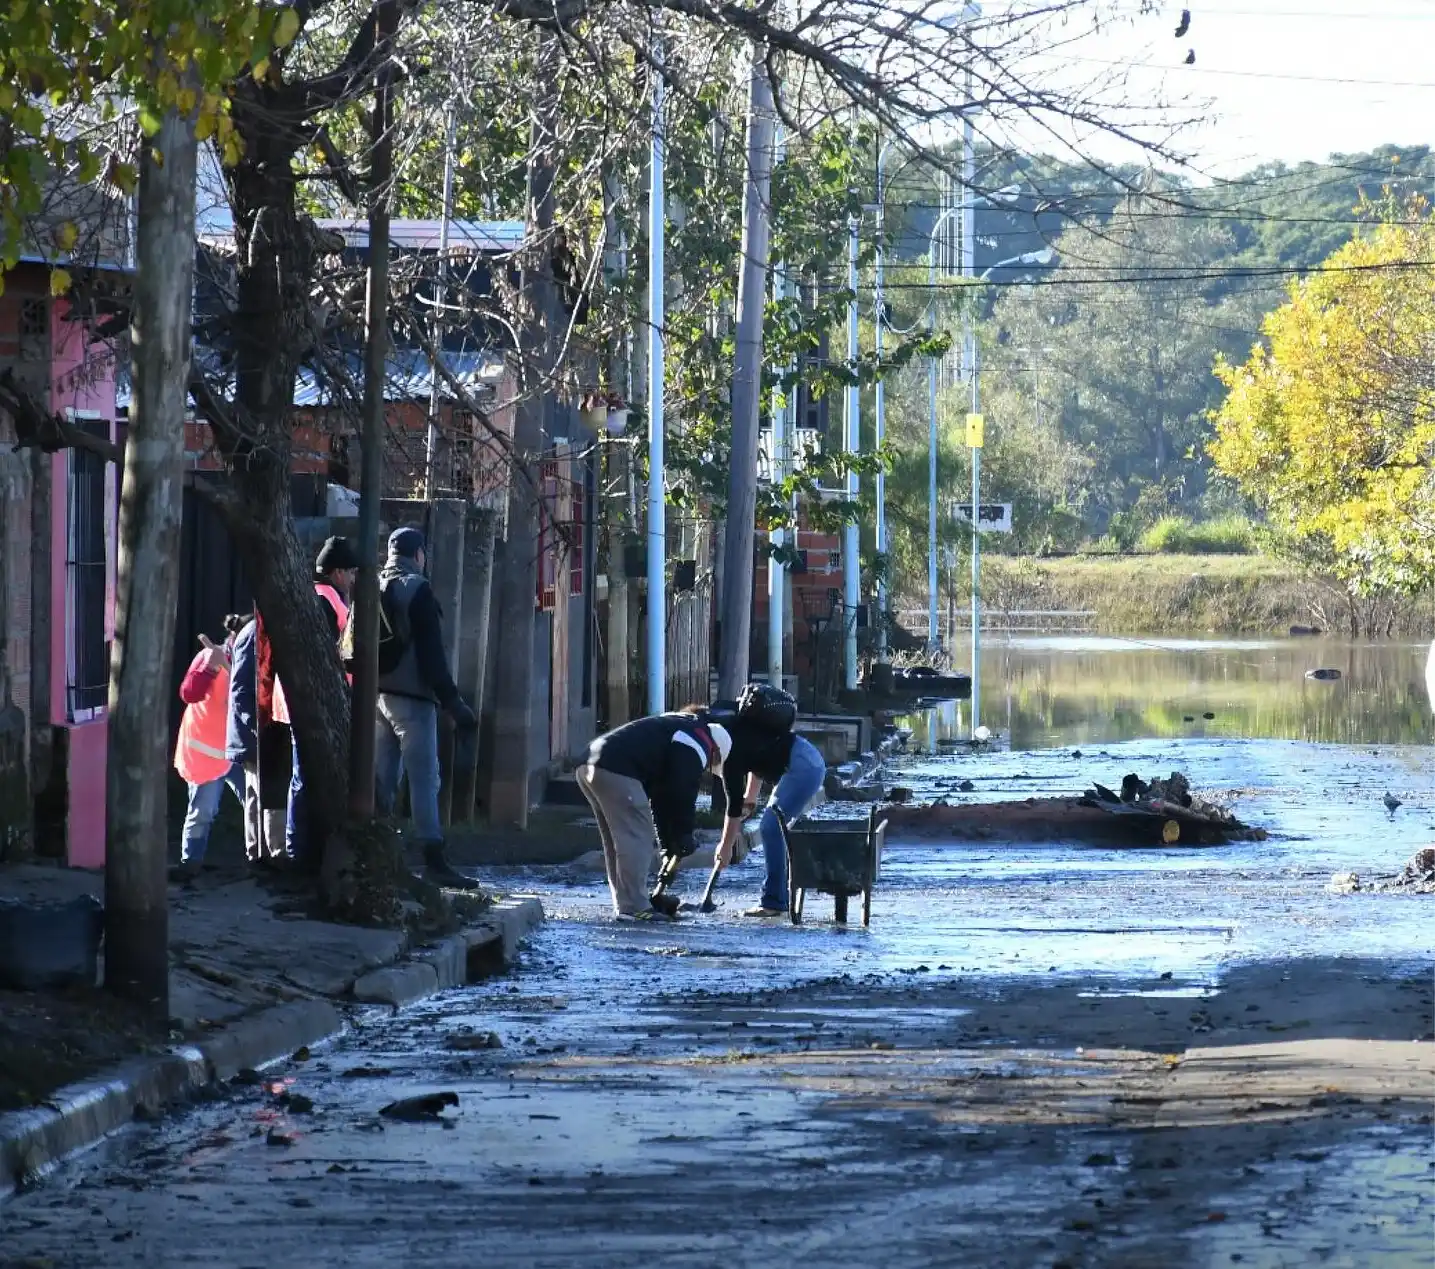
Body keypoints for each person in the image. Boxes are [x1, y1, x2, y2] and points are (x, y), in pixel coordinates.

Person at [372, 526, 478, 887]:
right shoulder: (418, 589)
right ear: (418, 554)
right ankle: (433, 859)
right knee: (424, 780)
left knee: (381, 780)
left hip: (376, 698)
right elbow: (432, 657)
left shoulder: (372, 585)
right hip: (414, 702)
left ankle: (377, 854)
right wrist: (454, 703)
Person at [576, 712, 732, 921]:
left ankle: (626, 904)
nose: (707, 768)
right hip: (617, 768)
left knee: (616, 843)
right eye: (713, 763)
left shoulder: (682, 729)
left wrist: (668, 843)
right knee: (636, 837)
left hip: (590, 763)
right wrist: (684, 834)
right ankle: (634, 907)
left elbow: (661, 799)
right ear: (716, 752)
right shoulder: (698, 743)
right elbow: (682, 791)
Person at [272, 536, 359, 868]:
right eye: (349, 572)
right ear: (337, 573)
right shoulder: (325, 601)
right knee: (304, 774)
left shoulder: (316, 596)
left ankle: (304, 846)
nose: (352, 579)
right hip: (311, 703)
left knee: (307, 774)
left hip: (305, 700)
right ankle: (298, 849)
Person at [711, 685, 825, 917]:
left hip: (803, 768)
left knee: (771, 828)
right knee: (773, 828)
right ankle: (779, 897)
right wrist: (751, 798)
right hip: (806, 758)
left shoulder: (730, 755)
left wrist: (725, 846)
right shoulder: (736, 732)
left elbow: (732, 808)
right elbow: (756, 761)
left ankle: (774, 902)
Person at [172, 615, 248, 881]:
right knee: (202, 812)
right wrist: (210, 670)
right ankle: (189, 865)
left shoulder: (252, 662)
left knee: (256, 804)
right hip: (207, 751)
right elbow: (189, 693)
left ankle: (259, 861)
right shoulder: (209, 658)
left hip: (238, 752)